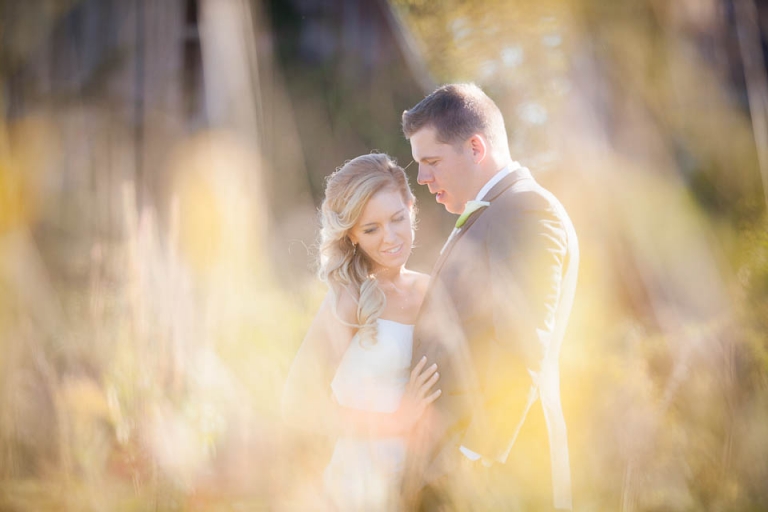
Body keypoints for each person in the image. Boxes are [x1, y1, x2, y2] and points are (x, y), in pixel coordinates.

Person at [401, 83, 579, 511]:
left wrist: (472, 458)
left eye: (431, 162)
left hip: (496, 479)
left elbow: (522, 345)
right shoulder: (493, 212)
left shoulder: (525, 210)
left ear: (476, 148)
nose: (422, 178)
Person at [281, 153, 442, 511]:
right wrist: (396, 420)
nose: (391, 238)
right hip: (358, 487)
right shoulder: (349, 299)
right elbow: (298, 401)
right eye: (371, 229)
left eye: (398, 219)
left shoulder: (432, 290)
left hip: (422, 482)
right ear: (351, 235)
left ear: (411, 207)